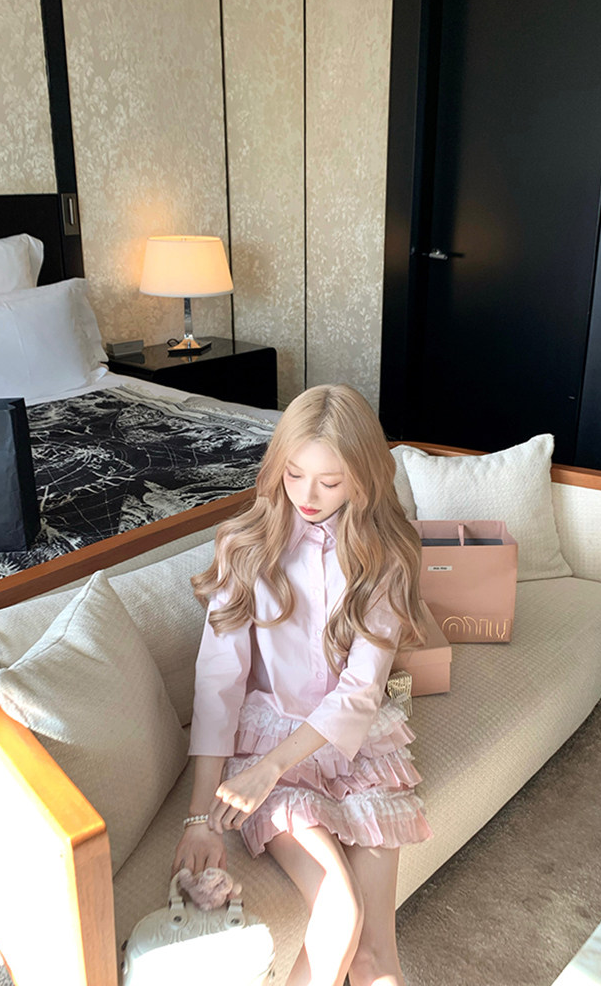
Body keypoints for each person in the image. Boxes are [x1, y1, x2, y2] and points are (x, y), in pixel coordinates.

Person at [172, 383, 434, 986]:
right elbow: (218, 683)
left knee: (375, 959)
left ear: (363, 480)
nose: (308, 497)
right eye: (294, 475)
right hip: (268, 741)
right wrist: (199, 817)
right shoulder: (246, 547)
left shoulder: (387, 557)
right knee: (341, 910)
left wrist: (270, 769)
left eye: (330, 482)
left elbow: (361, 689)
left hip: (356, 749)